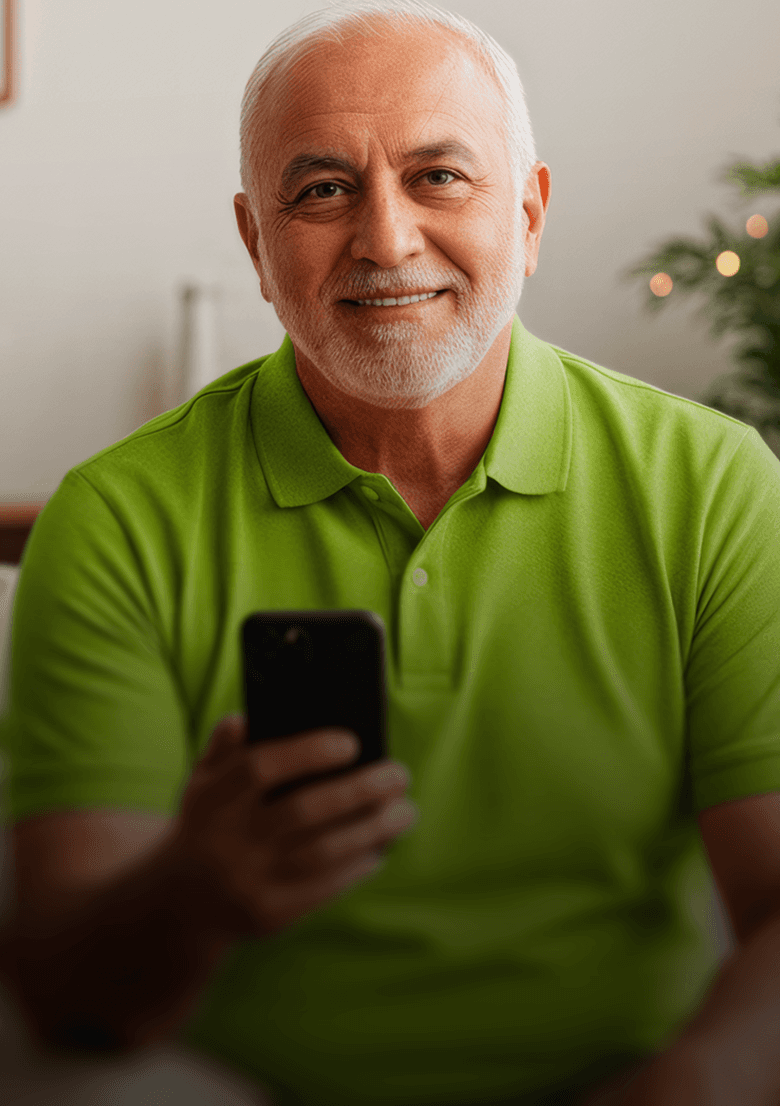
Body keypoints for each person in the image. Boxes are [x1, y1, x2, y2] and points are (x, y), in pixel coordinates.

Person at [3, 1, 780, 1104]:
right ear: (254, 244)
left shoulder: (714, 484)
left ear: (531, 209)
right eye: (322, 189)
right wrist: (196, 889)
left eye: (438, 177)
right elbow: (67, 995)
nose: (385, 238)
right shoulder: (115, 518)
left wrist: (701, 1080)